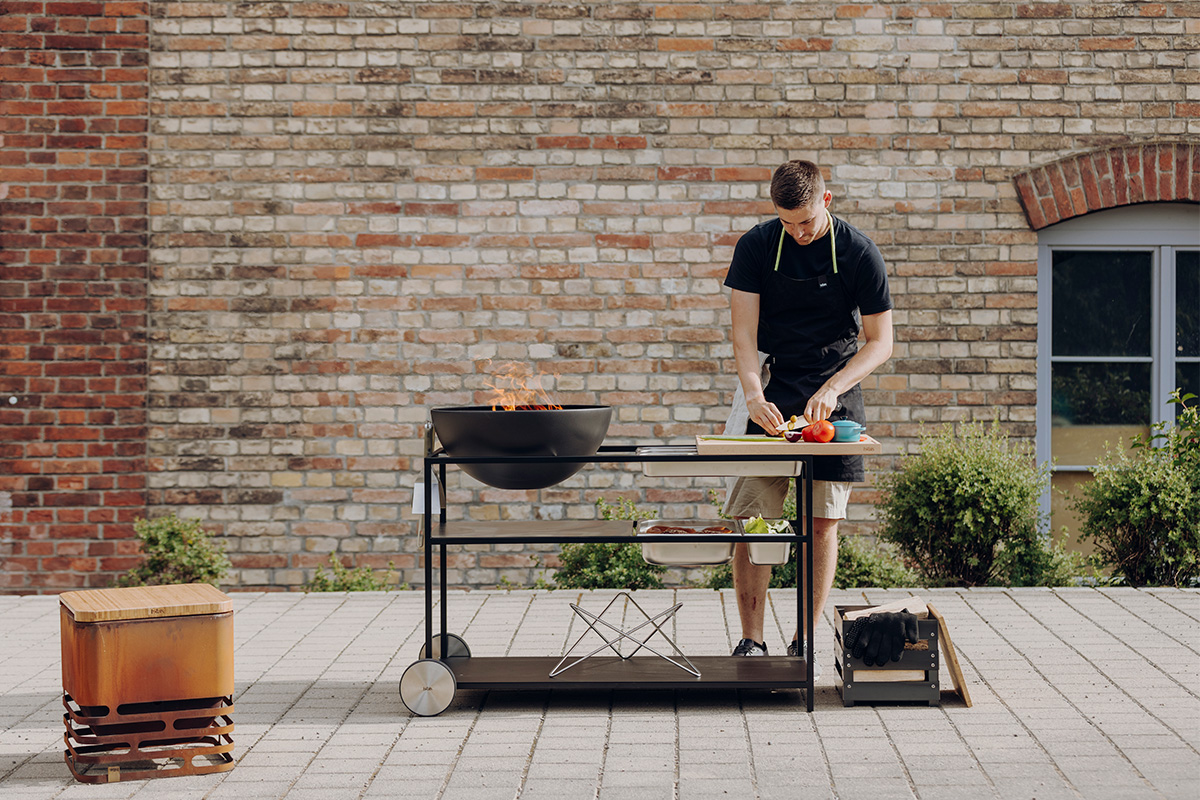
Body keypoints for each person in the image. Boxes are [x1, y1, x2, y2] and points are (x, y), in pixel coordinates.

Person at [722, 160, 894, 666]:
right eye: (787, 222)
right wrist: (754, 396)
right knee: (754, 518)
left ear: (828, 200)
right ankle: (752, 639)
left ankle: (805, 638)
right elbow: (743, 337)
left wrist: (835, 388)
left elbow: (880, 343)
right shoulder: (755, 246)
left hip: (836, 387)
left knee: (822, 522)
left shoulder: (859, 252)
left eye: (807, 221)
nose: (798, 232)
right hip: (772, 382)